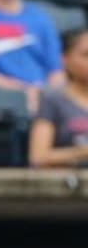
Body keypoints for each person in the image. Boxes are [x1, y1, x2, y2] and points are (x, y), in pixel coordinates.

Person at [29, 29, 88, 167]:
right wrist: (82, 153)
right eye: (86, 55)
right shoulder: (52, 99)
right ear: (65, 59)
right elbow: (38, 156)